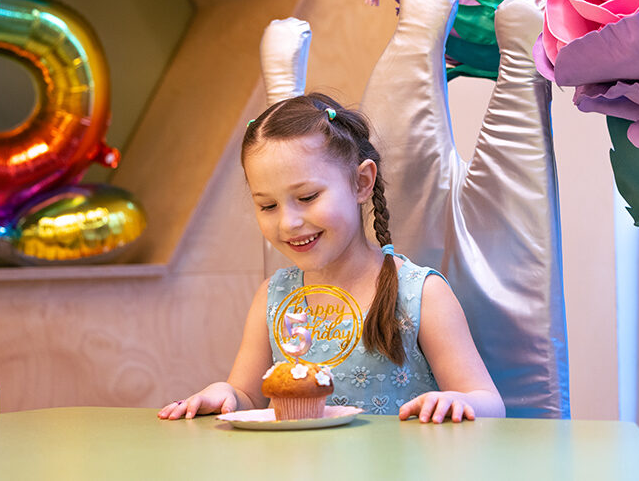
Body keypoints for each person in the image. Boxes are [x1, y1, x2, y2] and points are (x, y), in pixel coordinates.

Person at [158, 93, 504, 423]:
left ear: (361, 182)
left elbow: (489, 403)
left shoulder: (420, 294)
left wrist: (459, 401)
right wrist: (227, 394)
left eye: (307, 197)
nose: (288, 223)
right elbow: (249, 398)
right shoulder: (273, 297)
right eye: (268, 205)